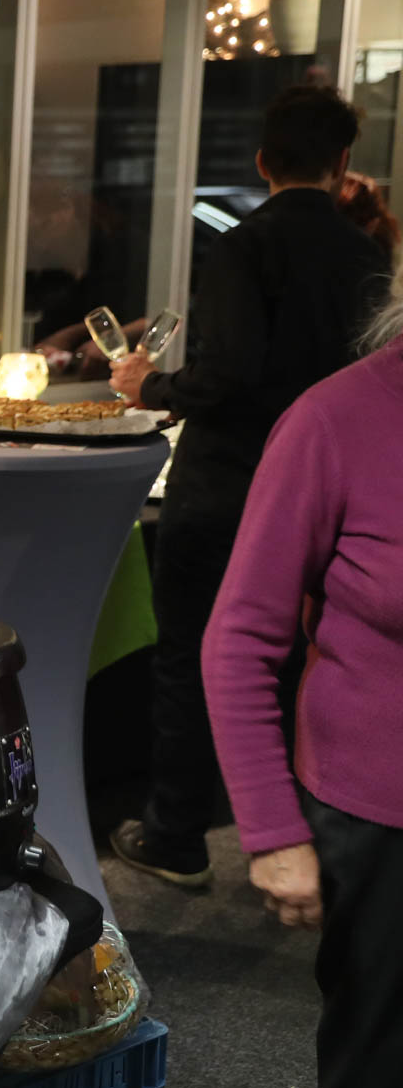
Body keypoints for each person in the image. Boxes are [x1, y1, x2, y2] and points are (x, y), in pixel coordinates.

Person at [107, 84, 390, 887]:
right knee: (306, 656)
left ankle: (175, 832)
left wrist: (150, 387)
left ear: (263, 161)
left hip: (229, 483)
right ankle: (304, 826)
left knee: (194, 653)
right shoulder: (367, 254)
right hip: (334, 492)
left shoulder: (245, 245)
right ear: (341, 162)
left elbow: (227, 373)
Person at [202, 294, 403, 1088]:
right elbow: (239, 639)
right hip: (379, 826)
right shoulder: (335, 420)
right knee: (368, 1078)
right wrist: (272, 831)